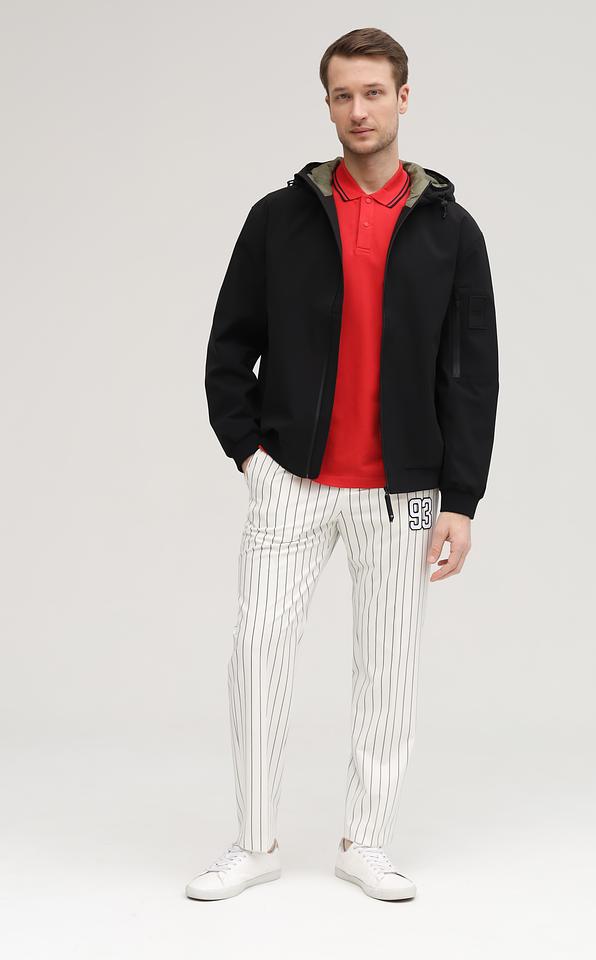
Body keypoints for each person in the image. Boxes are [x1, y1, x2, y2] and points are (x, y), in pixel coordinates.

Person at [186, 26, 499, 903]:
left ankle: (368, 841)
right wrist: (249, 454)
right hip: (291, 479)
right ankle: (254, 843)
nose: (358, 110)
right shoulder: (278, 219)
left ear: (404, 98)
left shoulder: (451, 231)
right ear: (327, 104)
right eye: (342, 95)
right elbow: (228, 347)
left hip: (406, 491)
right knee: (257, 656)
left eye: (373, 92)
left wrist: (461, 498)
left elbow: (471, 373)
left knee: (389, 672)